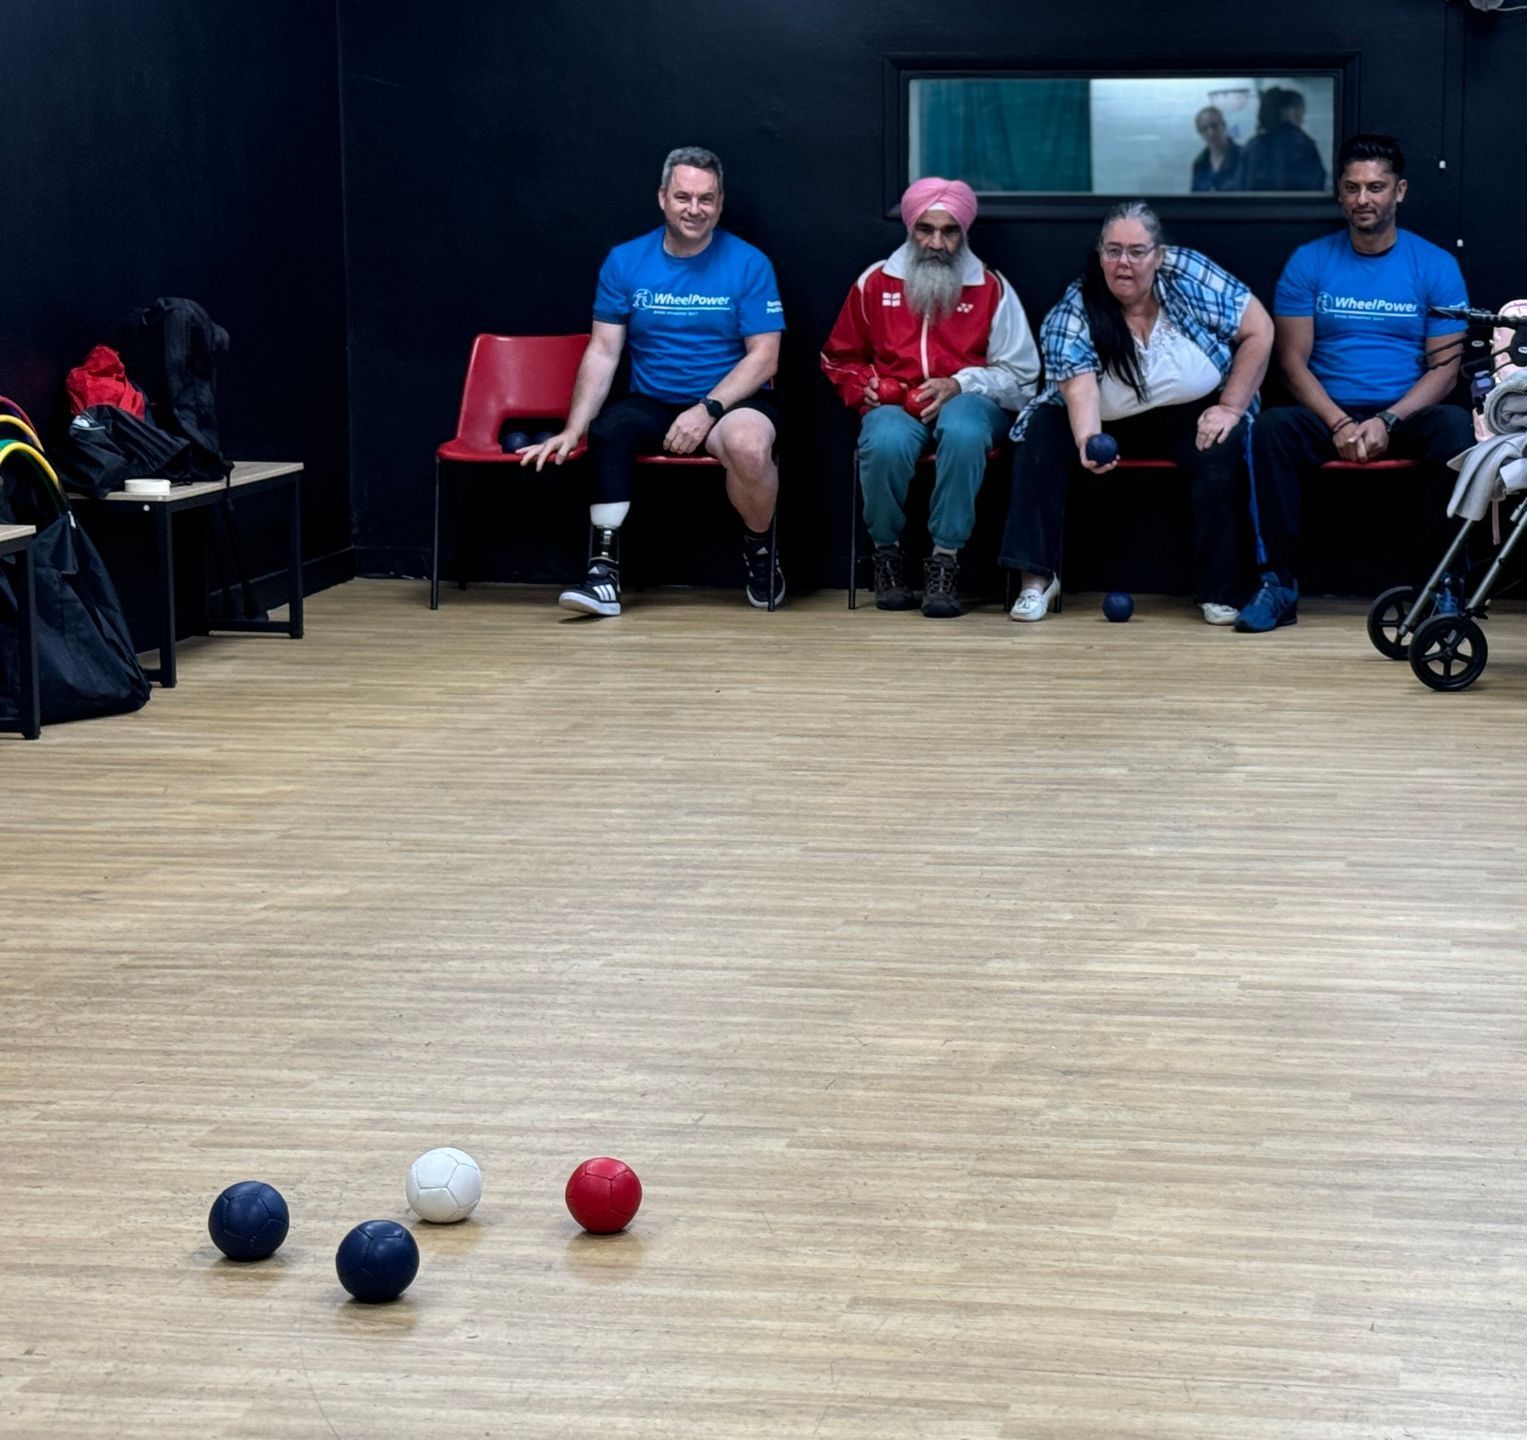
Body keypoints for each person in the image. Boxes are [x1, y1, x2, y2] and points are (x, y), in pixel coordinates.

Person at [522, 146, 786, 617]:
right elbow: (604, 351)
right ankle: (602, 575)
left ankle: (761, 550)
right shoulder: (625, 261)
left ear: (720, 203)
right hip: (655, 398)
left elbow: (764, 359)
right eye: (683, 197)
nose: (694, 209)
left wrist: (707, 410)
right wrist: (572, 427)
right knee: (609, 429)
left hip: (730, 401)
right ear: (663, 197)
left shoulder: (750, 264)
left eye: (706, 199)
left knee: (749, 445)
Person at [1237, 133, 1474, 632]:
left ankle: (1442, 585)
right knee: (1271, 429)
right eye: (1352, 187)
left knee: (1457, 432)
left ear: (1400, 191)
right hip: (1330, 408)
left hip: (1405, 409)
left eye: (1376, 187)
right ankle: (1277, 583)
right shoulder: (1310, 262)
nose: (1363, 199)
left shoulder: (1435, 266)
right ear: (1340, 193)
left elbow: (1444, 369)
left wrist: (1388, 419)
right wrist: (1341, 421)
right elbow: (1291, 362)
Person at [1001, 201, 1273, 624]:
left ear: (1158, 255)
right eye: (1112, 251)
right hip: (1104, 419)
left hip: (1188, 413)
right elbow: (1082, 391)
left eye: (1136, 251)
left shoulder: (1187, 274)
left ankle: (1220, 591)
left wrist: (1230, 407)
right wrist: (1089, 439)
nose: (1123, 263)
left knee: (1226, 444)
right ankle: (1035, 582)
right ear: (1100, 254)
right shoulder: (1073, 310)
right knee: (1039, 434)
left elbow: (1260, 329)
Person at [820, 178, 1039, 617]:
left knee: (962, 428)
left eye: (949, 230)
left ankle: (945, 560)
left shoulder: (991, 288)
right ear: (909, 228)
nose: (937, 242)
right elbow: (837, 357)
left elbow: (1022, 376)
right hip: (896, 403)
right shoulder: (875, 282)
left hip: (970, 403)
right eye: (925, 229)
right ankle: (887, 555)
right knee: (882, 438)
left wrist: (961, 383)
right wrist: (863, 383)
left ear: (964, 232)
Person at [1242, 87, 1326, 192]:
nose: (1302, 119)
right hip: (1296, 208)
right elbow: (1316, 187)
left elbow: (1241, 189)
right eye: (1302, 111)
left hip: (1255, 208)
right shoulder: (1303, 145)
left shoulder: (1252, 146)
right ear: (1293, 111)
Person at [1190, 107, 1245, 193]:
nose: (1211, 133)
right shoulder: (1200, 164)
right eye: (1205, 129)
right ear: (1200, 133)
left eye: (1214, 126)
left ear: (1224, 126)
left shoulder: (1244, 157)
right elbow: (1195, 199)